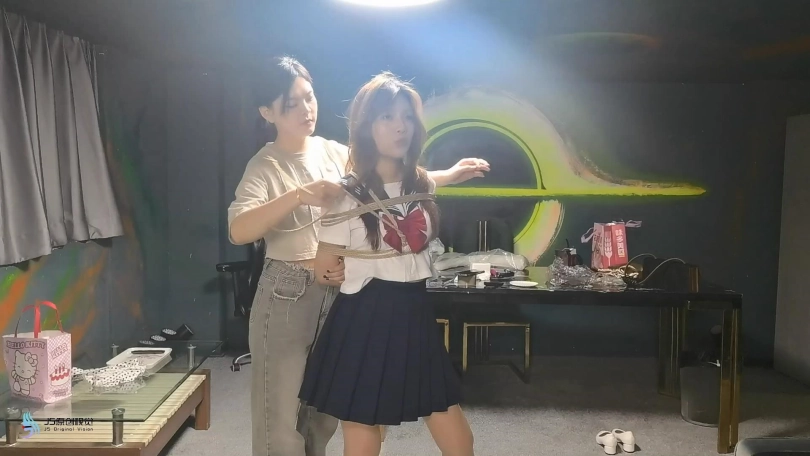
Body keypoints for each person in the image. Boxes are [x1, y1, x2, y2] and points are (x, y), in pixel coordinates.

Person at [227, 57, 487, 456]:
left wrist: (449, 175)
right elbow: (239, 230)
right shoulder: (265, 165)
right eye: (291, 103)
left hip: (345, 290)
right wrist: (298, 196)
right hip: (290, 289)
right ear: (267, 111)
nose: (306, 109)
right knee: (280, 415)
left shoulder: (335, 152)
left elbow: (390, 181)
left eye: (309, 97)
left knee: (325, 413)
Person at [298, 72, 475, 456]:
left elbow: (423, 186)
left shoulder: (422, 184)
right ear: (367, 126)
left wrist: (453, 173)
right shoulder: (345, 194)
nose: (400, 126)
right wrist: (330, 269)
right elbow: (324, 268)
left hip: (415, 309)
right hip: (365, 314)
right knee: (363, 430)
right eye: (387, 117)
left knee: (451, 423)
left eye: (407, 117)